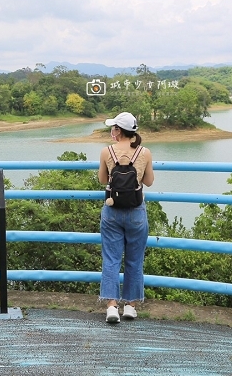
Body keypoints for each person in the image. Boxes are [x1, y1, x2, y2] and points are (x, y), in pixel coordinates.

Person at [98, 111, 154, 324]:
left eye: (113, 127)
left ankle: (111, 307)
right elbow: (149, 181)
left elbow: (102, 179)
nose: (111, 131)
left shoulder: (106, 151)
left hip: (112, 211)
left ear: (118, 131)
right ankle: (130, 305)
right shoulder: (144, 152)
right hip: (136, 212)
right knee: (134, 259)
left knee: (111, 259)